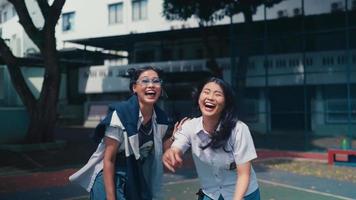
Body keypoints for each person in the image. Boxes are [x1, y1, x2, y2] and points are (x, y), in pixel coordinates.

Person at [69, 66, 171, 200]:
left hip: (135, 174)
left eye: (156, 81)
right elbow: (109, 159)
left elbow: (157, 152)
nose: (151, 85)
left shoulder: (161, 119)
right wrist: (111, 198)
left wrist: (176, 137)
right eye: (145, 81)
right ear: (134, 87)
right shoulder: (121, 115)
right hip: (110, 175)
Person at [163, 77, 260, 200]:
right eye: (206, 92)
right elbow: (176, 147)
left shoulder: (239, 129)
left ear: (226, 103)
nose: (210, 97)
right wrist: (172, 152)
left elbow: (244, 174)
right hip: (211, 194)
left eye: (217, 94)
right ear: (198, 98)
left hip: (244, 194)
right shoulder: (189, 126)